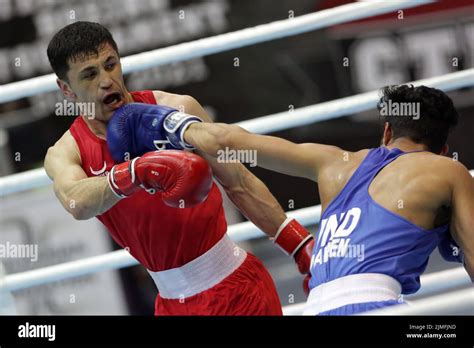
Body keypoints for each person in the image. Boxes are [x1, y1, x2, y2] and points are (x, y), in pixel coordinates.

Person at [43, 21, 313, 315]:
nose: (107, 80)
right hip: (172, 306)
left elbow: (240, 183)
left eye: (111, 65)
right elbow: (77, 202)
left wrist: (299, 246)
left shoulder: (176, 109)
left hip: (237, 288)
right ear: (66, 89)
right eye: (90, 75)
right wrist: (133, 173)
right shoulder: (65, 152)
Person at [175, 84, 474, 315]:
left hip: (315, 307)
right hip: (380, 306)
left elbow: (228, 142)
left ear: (387, 131)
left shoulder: (333, 162)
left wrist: (171, 123)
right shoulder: (448, 171)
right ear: (443, 149)